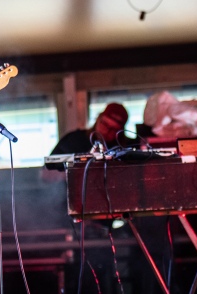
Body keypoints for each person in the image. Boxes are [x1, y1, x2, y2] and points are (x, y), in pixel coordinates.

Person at [43, 103, 172, 293]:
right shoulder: (75, 139)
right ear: (98, 118)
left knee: (147, 254)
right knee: (88, 271)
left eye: (113, 129)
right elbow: (45, 175)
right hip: (78, 222)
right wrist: (76, 172)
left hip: (122, 223)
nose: (106, 130)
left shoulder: (127, 146)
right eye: (104, 123)